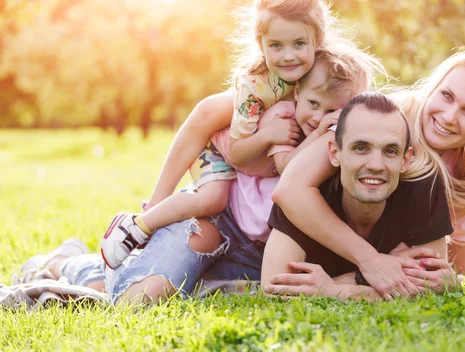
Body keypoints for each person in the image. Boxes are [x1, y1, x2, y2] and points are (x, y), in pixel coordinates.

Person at [20, 44, 376, 305]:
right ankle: (64, 264)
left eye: (336, 112)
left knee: (175, 290)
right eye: (314, 105)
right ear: (297, 93)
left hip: (258, 249)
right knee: (137, 300)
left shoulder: (348, 141)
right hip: (216, 221)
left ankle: (67, 261)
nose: (320, 117)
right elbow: (283, 170)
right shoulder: (280, 117)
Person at [100, 0, 383, 269]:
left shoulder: (326, 74)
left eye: (298, 44)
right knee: (212, 199)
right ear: (261, 45)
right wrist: (269, 135)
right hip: (222, 151)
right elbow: (229, 144)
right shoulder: (256, 89)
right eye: (276, 45)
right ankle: (141, 222)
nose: (288, 56)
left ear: (318, 39)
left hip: (259, 168)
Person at [269, 48, 465, 300]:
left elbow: (454, 276)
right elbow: (290, 189)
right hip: (273, 236)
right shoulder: (375, 121)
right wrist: (370, 260)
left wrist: (450, 280)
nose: (449, 117)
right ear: (432, 89)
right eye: (446, 95)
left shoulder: (464, 179)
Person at [261, 92, 454, 301]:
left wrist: (336, 288)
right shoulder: (305, 198)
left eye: (390, 151)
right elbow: (275, 290)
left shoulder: (423, 187)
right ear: (335, 153)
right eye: (361, 148)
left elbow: (429, 286)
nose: (375, 165)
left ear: (405, 160)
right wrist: (375, 268)